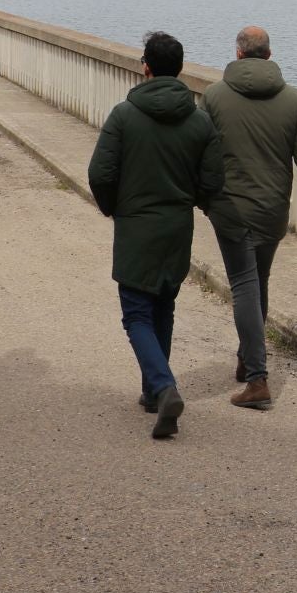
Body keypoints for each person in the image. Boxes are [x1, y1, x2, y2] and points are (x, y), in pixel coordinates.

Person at [86, 31, 223, 439]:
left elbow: (100, 173)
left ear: (145, 66)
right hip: (177, 225)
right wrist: (190, 199)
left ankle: (163, 387)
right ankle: (153, 391)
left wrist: (115, 207)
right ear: (179, 68)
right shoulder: (199, 120)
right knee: (164, 302)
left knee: (136, 313)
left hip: (137, 225)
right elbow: (213, 178)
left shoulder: (124, 116)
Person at [200, 25, 297, 410]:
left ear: (238, 54)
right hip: (273, 209)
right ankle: (247, 358)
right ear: (270, 56)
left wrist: (201, 199)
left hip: (230, 209)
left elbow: (198, 152)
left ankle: (257, 380)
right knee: (258, 281)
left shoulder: (213, 96)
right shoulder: (293, 100)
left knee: (244, 285)